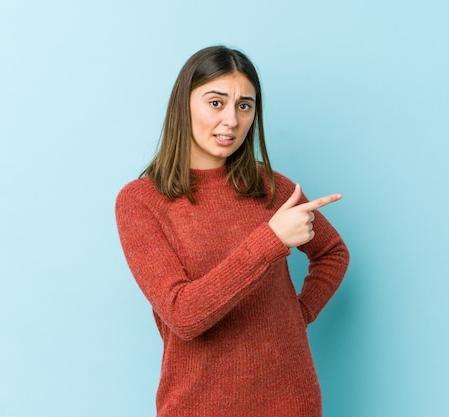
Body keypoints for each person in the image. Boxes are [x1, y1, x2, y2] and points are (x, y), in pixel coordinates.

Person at [115, 45, 349, 417]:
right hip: (196, 405)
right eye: (215, 102)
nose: (231, 121)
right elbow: (184, 316)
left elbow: (333, 252)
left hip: (291, 400)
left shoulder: (271, 186)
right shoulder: (142, 201)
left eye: (244, 106)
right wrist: (270, 241)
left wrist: (296, 315)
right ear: (184, 105)